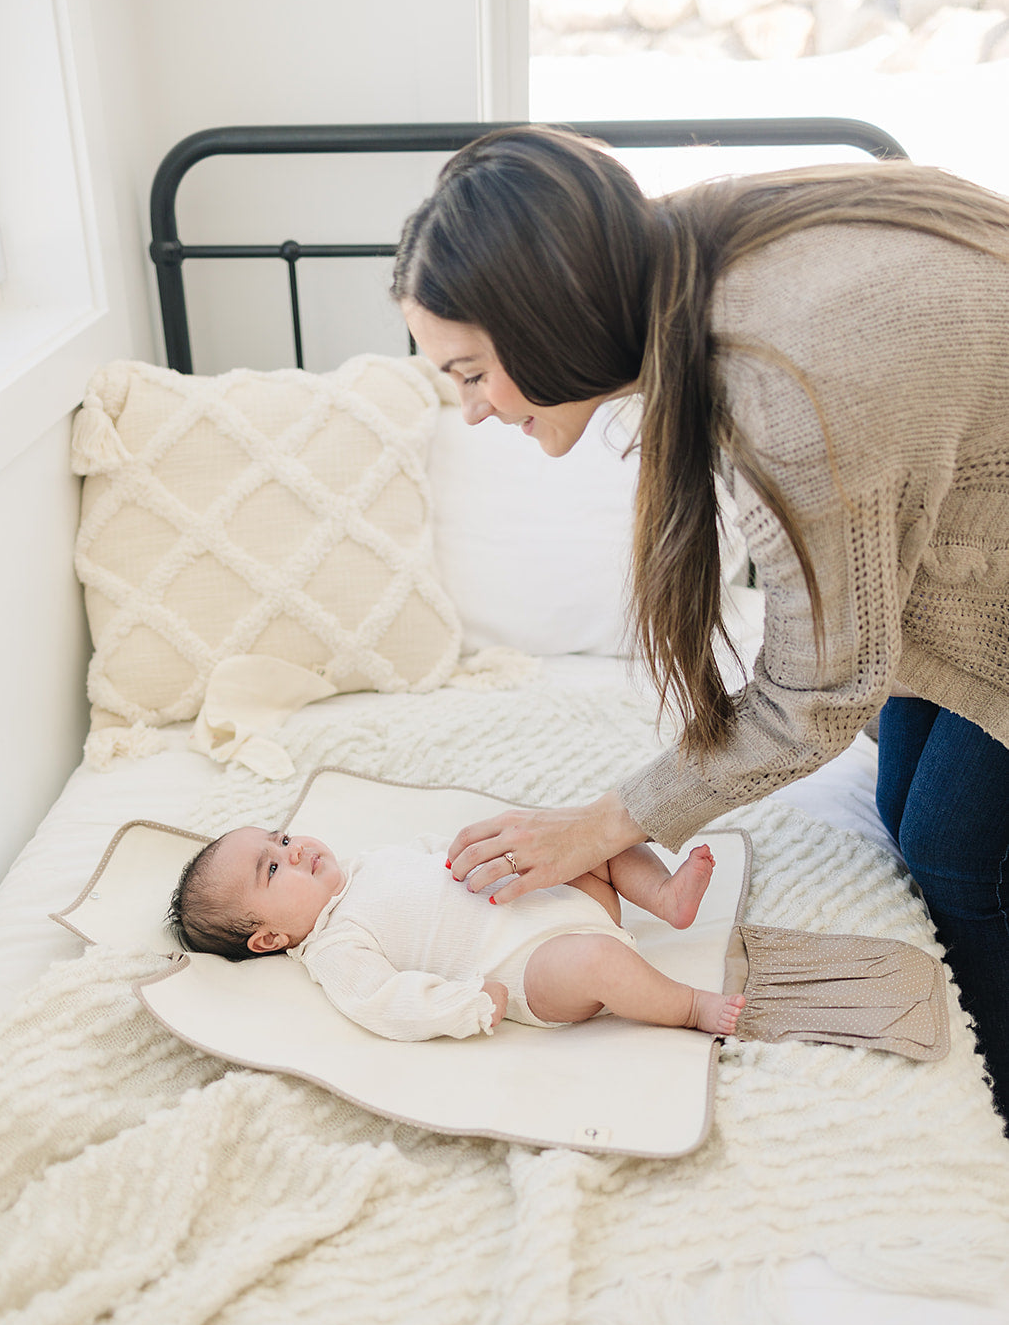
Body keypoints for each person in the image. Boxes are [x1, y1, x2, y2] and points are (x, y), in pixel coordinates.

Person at [391, 124, 1009, 1124]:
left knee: (946, 849)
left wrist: (599, 822)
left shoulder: (780, 385)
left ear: (545, 316)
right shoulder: (687, 258)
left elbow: (813, 700)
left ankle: (991, 1115)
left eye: (468, 373)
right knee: (901, 806)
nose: (468, 411)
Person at [167, 826, 745, 1040]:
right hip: (536, 966)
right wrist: (463, 1007)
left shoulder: (372, 858)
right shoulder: (334, 944)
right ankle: (691, 1007)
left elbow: (441, 859)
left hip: (562, 899)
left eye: (282, 839)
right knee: (599, 960)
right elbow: (384, 1003)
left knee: (598, 838)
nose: (294, 852)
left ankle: (668, 898)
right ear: (267, 939)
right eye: (272, 869)